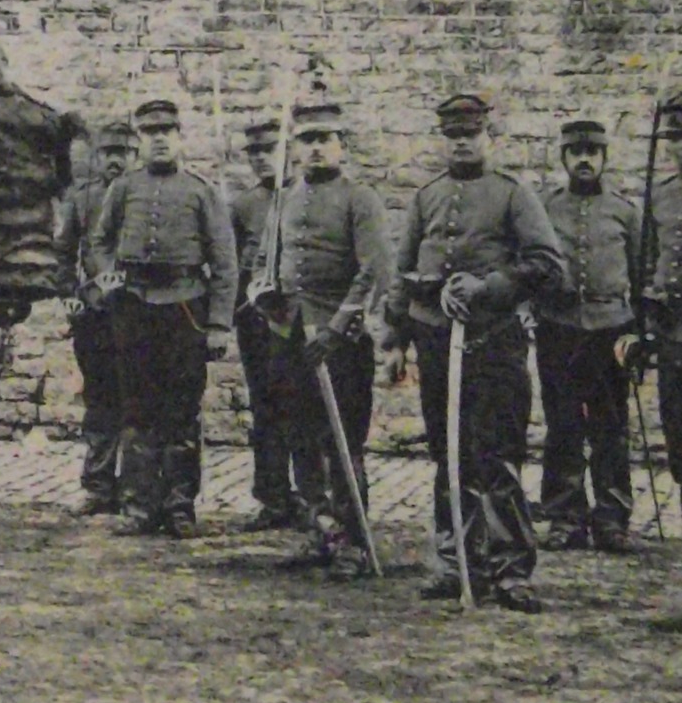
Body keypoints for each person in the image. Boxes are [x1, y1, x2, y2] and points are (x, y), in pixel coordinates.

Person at [381, 93, 565, 612]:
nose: (462, 143)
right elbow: (403, 271)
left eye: (471, 134)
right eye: (453, 135)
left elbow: (547, 265)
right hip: (436, 342)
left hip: (493, 342)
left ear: (488, 136)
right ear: (443, 138)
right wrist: (395, 338)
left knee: (498, 455)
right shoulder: (426, 197)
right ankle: (456, 560)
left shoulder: (512, 195)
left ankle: (511, 569)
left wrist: (488, 286)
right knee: (448, 454)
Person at [258, 96, 392, 578]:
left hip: (339, 342)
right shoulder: (285, 199)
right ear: (294, 148)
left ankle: (354, 541)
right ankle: (321, 532)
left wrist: (337, 330)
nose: (315, 149)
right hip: (290, 334)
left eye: (324, 140)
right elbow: (266, 263)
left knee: (343, 443)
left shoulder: (361, 200)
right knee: (300, 436)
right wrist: (264, 296)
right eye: (307, 140)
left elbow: (375, 271)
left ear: (342, 146)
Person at [93, 97, 236, 539]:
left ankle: (179, 507)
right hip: (134, 308)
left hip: (185, 307)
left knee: (181, 412)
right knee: (137, 410)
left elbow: (225, 262)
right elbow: (100, 242)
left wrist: (217, 324)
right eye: (150, 133)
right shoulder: (123, 188)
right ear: (139, 140)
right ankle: (138, 506)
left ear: (179, 137)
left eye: (166, 132)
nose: (158, 140)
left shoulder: (200, 191)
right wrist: (108, 278)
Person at [532, 118, 642, 553]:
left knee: (611, 427)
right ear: (564, 158)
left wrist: (639, 334)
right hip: (558, 328)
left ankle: (612, 518)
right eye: (575, 152)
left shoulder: (624, 212)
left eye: (591, 153)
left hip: (611, 329)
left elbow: (640, 270)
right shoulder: (544, 208)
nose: (583, 160)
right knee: (562, 425)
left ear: (603, 158)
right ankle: (564, 516)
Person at [53, 119, 136, 516]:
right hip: (95, 314)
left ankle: (138, 488)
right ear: (97, 157)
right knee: (101, 400)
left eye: (123, 153)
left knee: (138, 399)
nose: (115, 161)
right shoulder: (82, 198)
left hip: (139, 313)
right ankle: (99, 484)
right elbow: (62, 254)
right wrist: (70, 299)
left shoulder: (143, 197)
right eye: (108, 154)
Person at [229, 116, 303, 532]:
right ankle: (273, 497)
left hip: (300, 319)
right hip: (257, 321)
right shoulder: (242, 204)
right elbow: (231, 262)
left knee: (304, 406)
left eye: (270, 149)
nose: (261, 160)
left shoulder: (306, 197)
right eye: (254, 152)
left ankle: (315, 498)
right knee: (266, 406)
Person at [644, 88, 682, 514]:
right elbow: (652, 254)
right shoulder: (663, 193)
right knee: (676, 422)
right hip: (673, 327)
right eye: (675, 138)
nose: (679, 147)